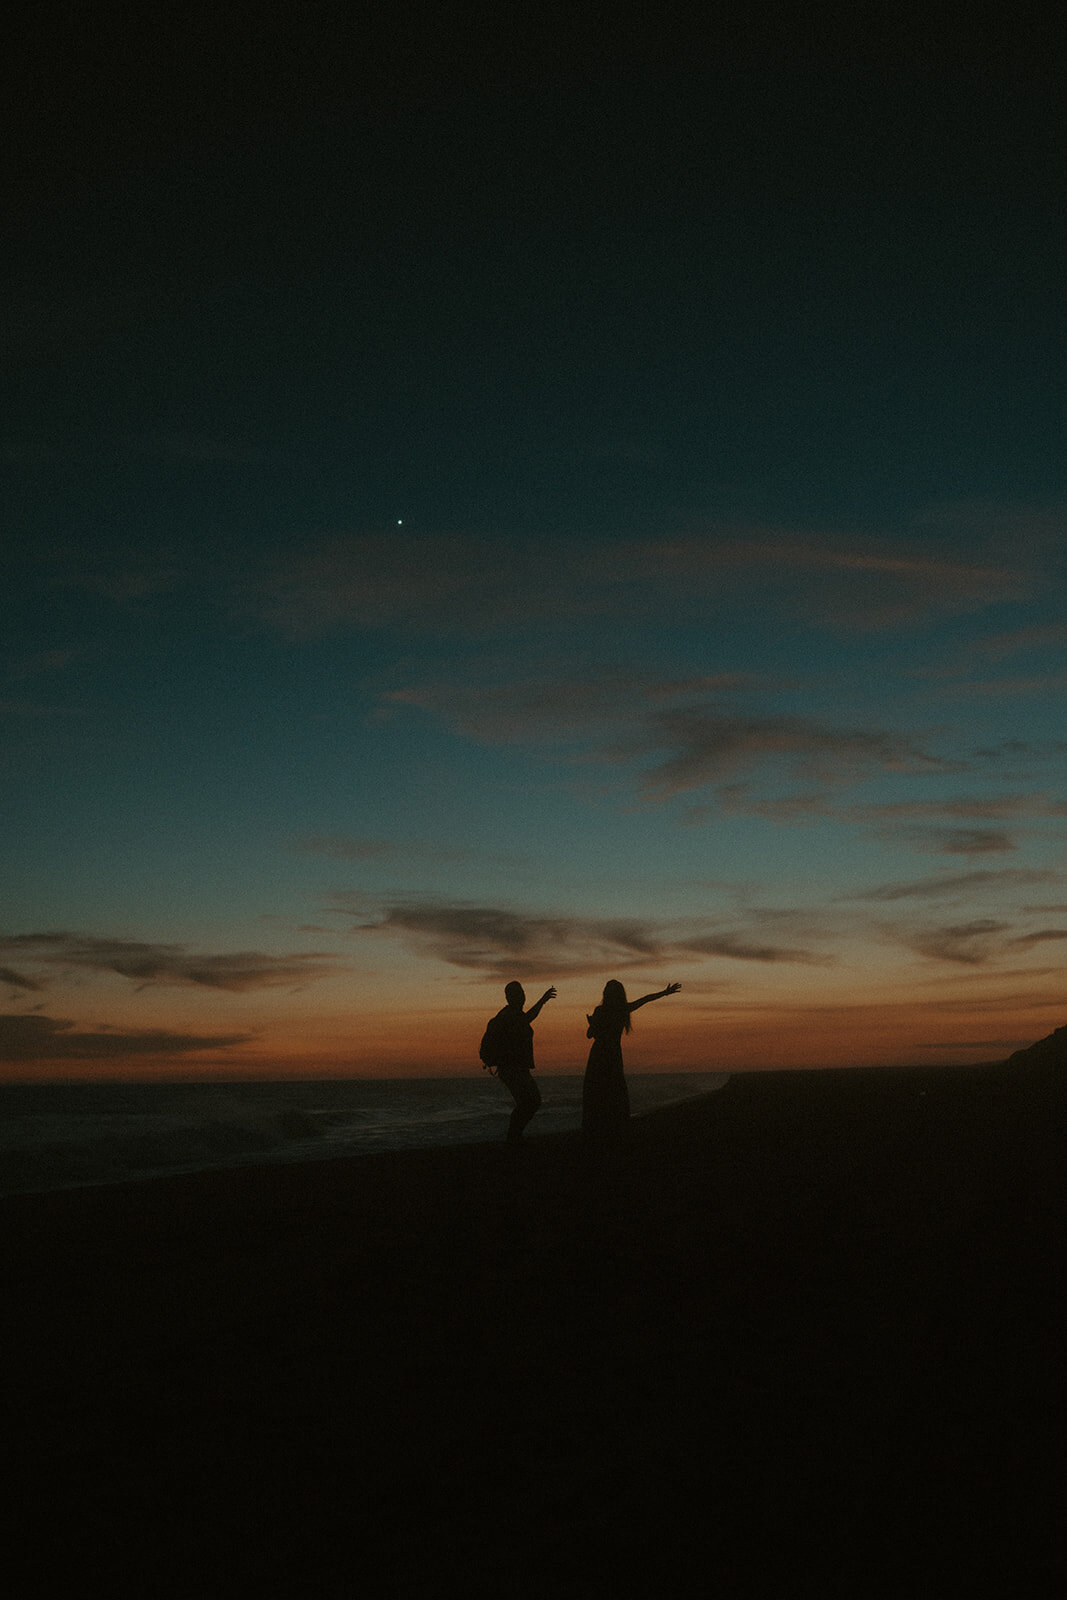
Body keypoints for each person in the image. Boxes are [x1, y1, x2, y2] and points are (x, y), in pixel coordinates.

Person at [582, 979, 680, 1150]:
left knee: (596, 1090)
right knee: (615, 1089)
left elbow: (590, 1035)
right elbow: (645, 999)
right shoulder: (623, 1010)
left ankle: (595, 1129)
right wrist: (665, 993)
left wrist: (592, 1024)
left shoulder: (601, 1010)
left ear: (606, 994)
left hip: (598, 1056)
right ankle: (617, 1126)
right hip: (613, 1056)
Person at [489, 980, 557, 1145]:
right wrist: (543, 1000)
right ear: (512, 997)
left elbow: (527, 1018)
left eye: (523, 993)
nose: (523, 996)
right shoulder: (510, 1015)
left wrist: (542, 1000)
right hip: (512, 1069)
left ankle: (514, 1137)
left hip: (514, 1068)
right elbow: (528, 1018)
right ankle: (513, 1138)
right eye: (520, 993)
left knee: (528, 1102)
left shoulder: (511, 1014)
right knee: (531, 1101)